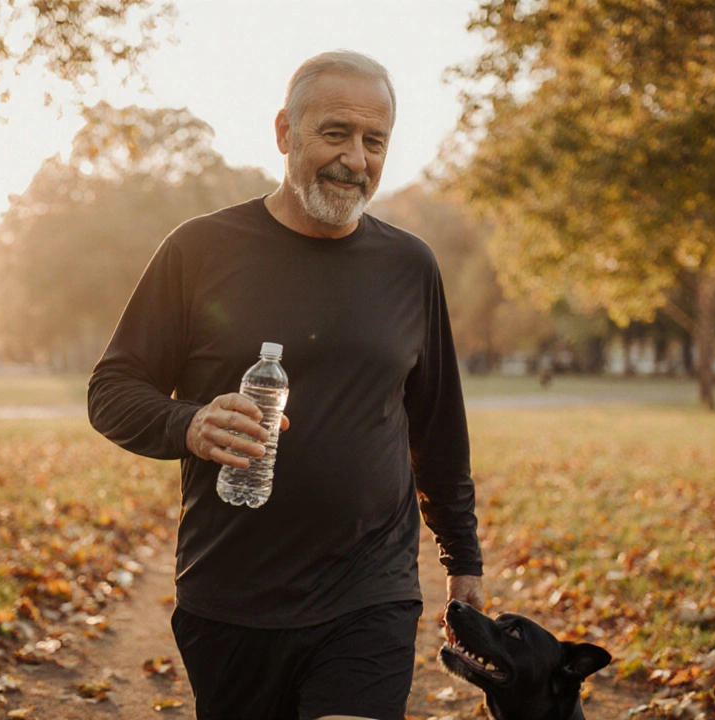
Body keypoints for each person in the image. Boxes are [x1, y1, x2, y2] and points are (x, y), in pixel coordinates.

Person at [88, 50, 485, 720]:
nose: (355, 159)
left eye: (375, 141)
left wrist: (462, 559)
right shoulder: (198, 250)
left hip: (371, 591)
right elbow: (112, 389)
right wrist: (188, 424)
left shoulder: (410, 265)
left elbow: (437, 429)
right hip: (230, 596)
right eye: (335, 133)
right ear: (284, 132)